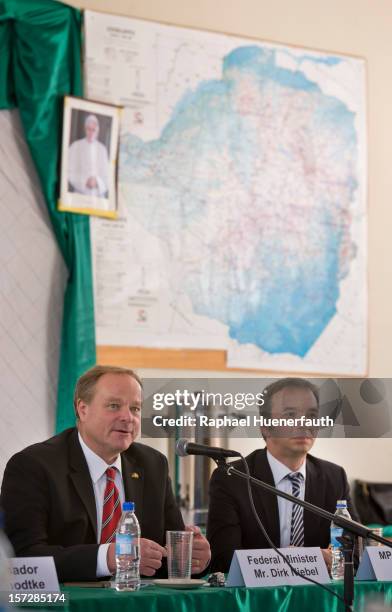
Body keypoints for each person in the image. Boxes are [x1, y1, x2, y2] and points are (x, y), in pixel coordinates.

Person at [1, 365, 210, 582]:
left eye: (135, 409)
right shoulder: (33, 466)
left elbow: (167, 556)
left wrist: (193, 559)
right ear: (83, 409)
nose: (128, 418)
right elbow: (22, 559)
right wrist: (107, 557)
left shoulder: (153, 465)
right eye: (114, 405)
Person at [207, 378, 359, 573]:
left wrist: (336, 560)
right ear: (265, 427)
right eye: (290, 414)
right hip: (257, 599)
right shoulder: (232, 478)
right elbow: (223, 558)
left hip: (320, 598)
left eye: (312, 415)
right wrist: (297, 560)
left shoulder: (334, 477)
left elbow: (355, 553)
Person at [68, 114, 109, 197]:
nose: (91, 132)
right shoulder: (75, 146)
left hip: (98, 195)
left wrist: (97, 181)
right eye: (89, 129)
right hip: (80, 193)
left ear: (97, 131)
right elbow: (69, 171)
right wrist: (84, 181)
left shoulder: (102, 149)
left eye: (93, 130)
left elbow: (107, 175)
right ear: (85, 129)